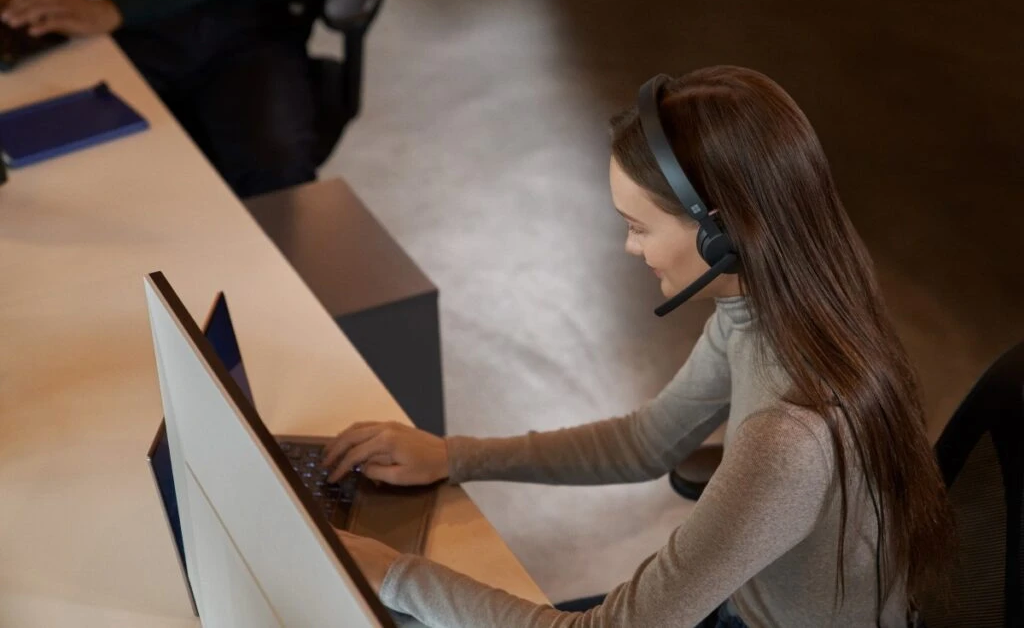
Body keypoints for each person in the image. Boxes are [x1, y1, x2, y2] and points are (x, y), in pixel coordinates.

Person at [320, 66, 955, 627]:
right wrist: (454, 456)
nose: (630, 248)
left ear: (721, 236)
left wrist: (394, 575)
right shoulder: (784, 296)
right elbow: (645, 442)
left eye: (638, 227)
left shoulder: (791, 437)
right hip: (744, 600)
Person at [1, 0, 321, 198]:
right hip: (154, 18)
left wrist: (115, 9)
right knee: (50, 141)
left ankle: (279, 278)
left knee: (276, 167)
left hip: (250, 17)